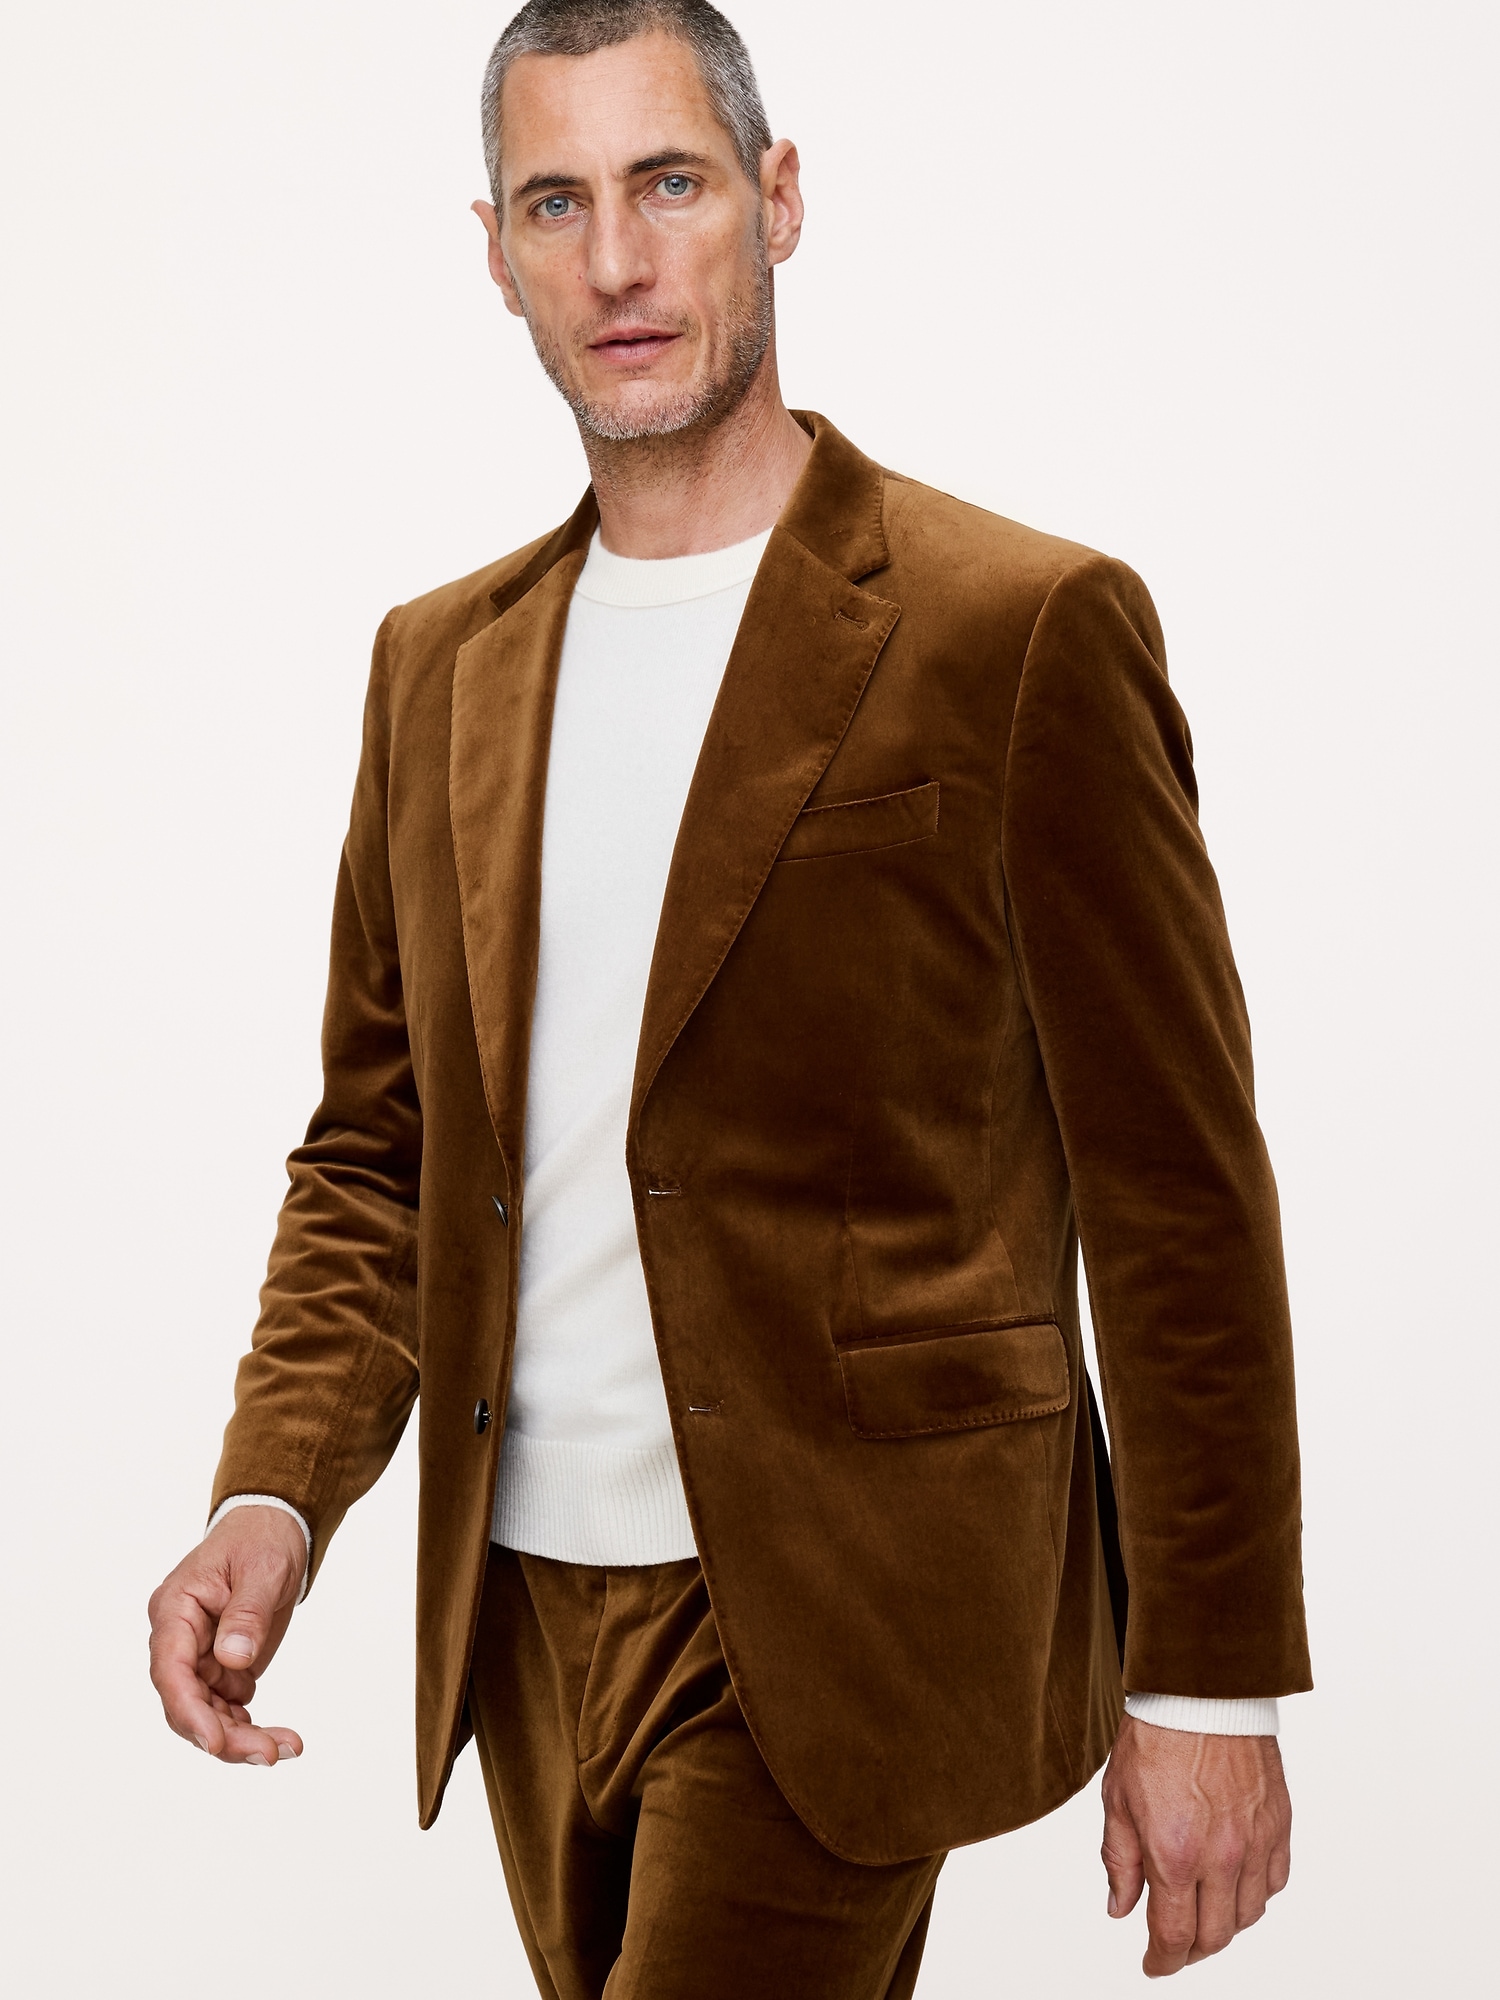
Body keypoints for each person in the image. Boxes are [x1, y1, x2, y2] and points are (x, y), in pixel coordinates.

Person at [147, 3, 1311, 1992]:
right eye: (556, 202)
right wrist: (277, 1485)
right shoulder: (439, 668)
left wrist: (1208, 1676)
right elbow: (379, 1151)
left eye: (668, 182)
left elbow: (1175, 1187)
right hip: (521, 1611)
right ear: (494, 250)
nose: (616, 258)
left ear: (776, 200)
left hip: (847, 1598)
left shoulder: (1015, 630)